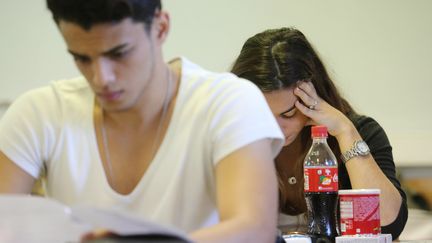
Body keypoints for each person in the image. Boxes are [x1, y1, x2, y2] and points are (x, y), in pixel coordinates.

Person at [0, 1, 285, 242]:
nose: (102, 78)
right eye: (82, 58)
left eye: (119, 53)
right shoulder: (39, 112)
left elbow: (253, 229)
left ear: (160, 28)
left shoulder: (229, 102)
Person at [231, 27, 408, 239]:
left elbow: (388, 223)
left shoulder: (359, 131)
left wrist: (344, 131)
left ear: (313, 95)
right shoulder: (233, 137)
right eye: (261, 112)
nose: (275, 128)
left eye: (288, 114)